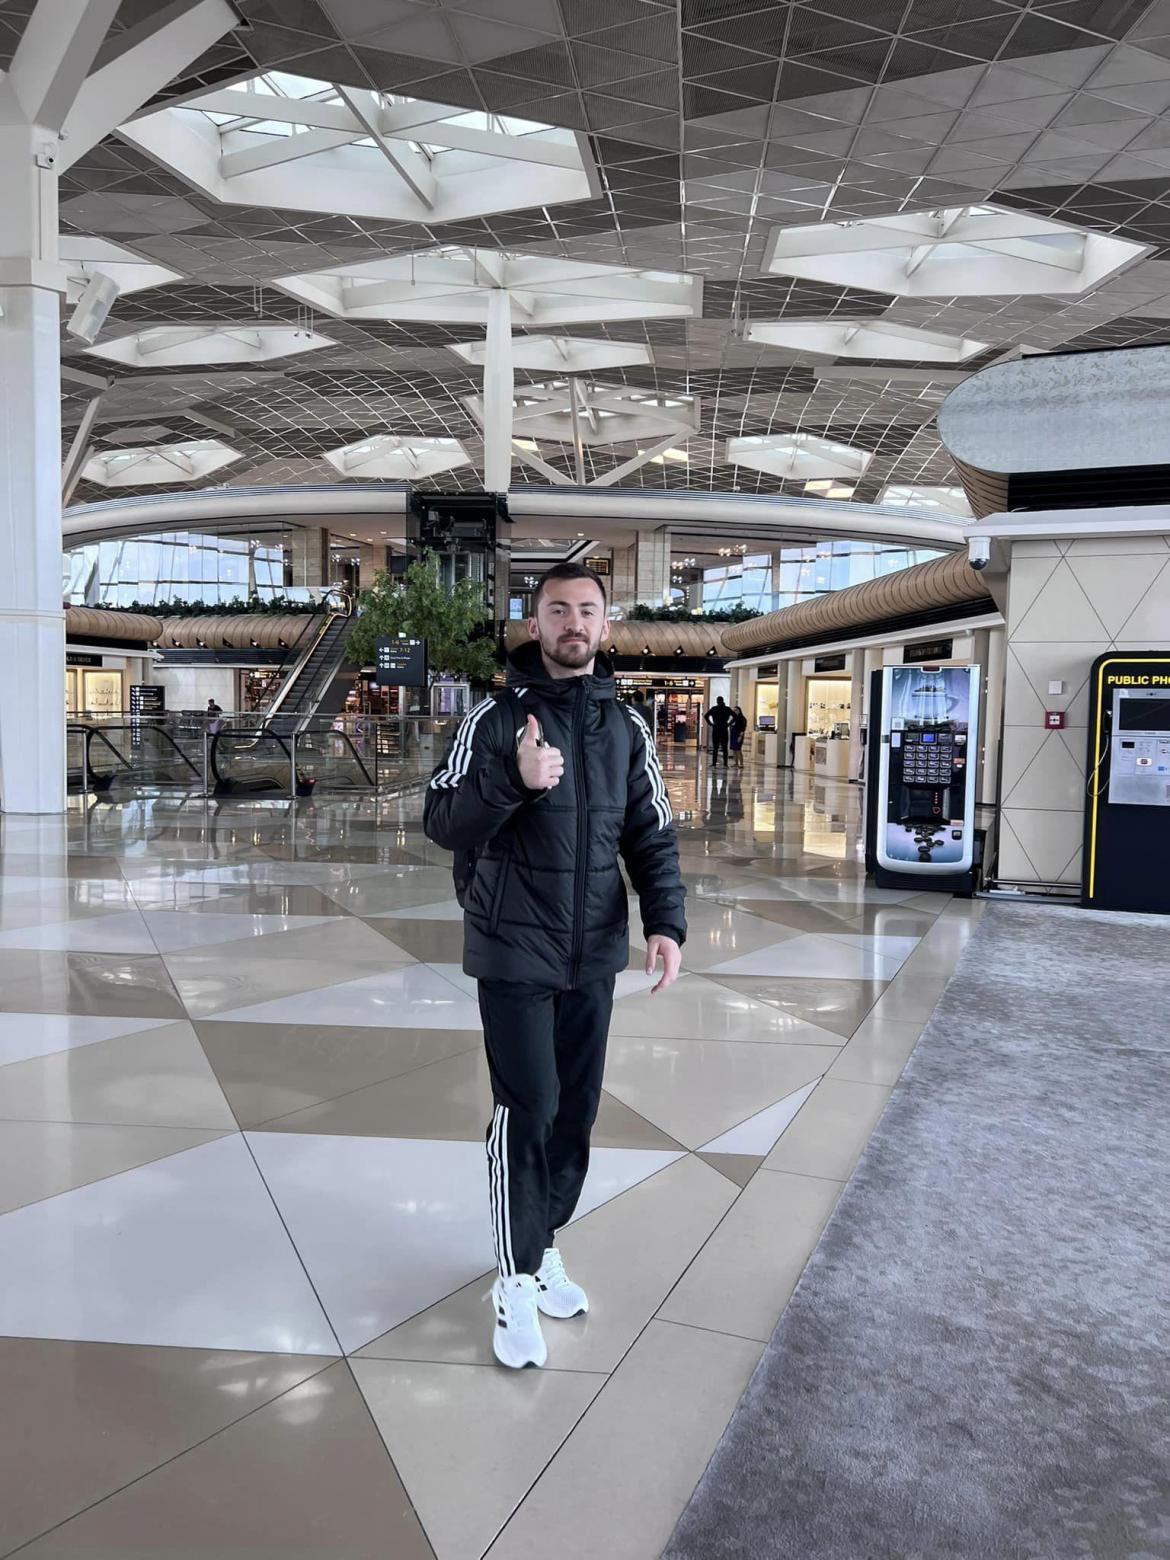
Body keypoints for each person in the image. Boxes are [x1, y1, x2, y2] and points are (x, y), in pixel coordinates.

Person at [424, 562, 686, 1370]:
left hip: (593, 950)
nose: (574, 623)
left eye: (587, 610)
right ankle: (514, 1276)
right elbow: (441, 818)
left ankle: (540, 1248)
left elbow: (651, 832)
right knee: (527, 1107)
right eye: (558, 610)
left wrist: (665, 922)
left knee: (574, 1114)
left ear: (606, 626)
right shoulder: (496, 717)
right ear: (534, 624)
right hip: (512, 946)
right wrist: (514, 778)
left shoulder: (626, 727)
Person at [705, 695, 732, 766]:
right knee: (725, 747)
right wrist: (729, 724)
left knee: (715, 747)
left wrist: (711, 724)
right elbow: (735, 716)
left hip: (716, 728)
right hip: (724, 728)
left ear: (717, 701)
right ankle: (725, 763)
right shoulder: (727, 709)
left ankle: (714, 763)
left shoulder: (714, 708)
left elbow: (706, 716)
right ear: (723, 701)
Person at [729, 704, 748, 768]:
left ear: (739, 711)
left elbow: (743, 728)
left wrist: (740, 736)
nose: (735, 711)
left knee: (738, 749)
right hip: (733, 735)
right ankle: (736, 763)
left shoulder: (742, 718)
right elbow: (729, 724)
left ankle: (741, 763)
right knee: (734, 750)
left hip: (738, 735)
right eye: (734, 710)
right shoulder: (734, 718)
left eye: (736, 710)